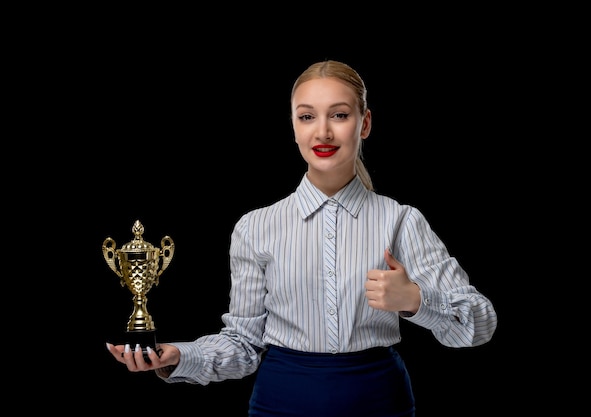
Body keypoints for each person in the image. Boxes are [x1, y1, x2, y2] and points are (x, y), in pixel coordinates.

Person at [106, 59, 498, 416]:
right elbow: (244, 344)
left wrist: (416, 301)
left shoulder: (402, 221)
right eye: (307, 116)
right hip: (280, 404)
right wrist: (178, 355)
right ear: (293, 126)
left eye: (340, 115)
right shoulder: (255, 227)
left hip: (381, 404)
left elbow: (479, 326)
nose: (323, 131)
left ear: (364, 124)